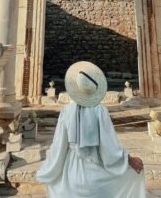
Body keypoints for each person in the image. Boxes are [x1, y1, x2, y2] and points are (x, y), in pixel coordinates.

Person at [36, 61, 146, 197]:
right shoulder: (100, 110)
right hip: (96, 173)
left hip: (71, 174)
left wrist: (48, 169)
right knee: (132, 176)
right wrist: (128, 160)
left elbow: (59, 145)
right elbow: (109, 146)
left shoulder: (66, 111)